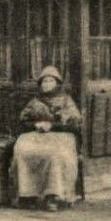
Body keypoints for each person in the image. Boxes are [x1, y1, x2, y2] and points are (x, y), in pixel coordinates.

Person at [11, 66, 82, 211]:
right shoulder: (34, 101)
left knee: (54, 155)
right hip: (36, 134)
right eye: (44, 81)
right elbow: (23, 121)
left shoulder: (66, 100)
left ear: (57, 83)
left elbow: (74, 123)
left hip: (61, 135)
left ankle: (54, 196)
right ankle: (28, 195)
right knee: (22, 152)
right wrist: (36, 124)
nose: (47, 84)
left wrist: (52, 125)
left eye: (50, 81)